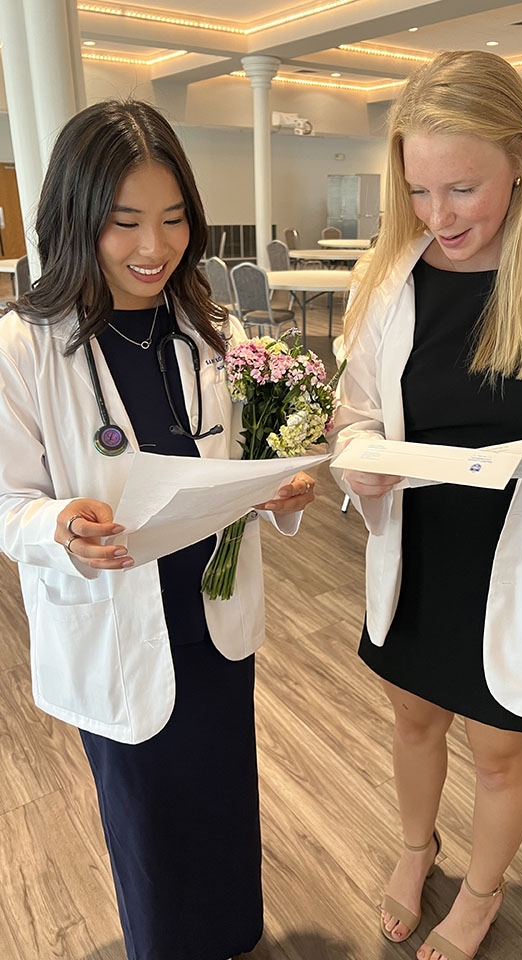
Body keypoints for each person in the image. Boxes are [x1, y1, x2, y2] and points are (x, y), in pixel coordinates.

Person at [332, 50, 522, 960]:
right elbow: (355, 411)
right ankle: (414, 848)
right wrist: (358, 462)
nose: (437, 216)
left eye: (460, 188)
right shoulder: (391, 274)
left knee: (503, 753)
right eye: (418, 191)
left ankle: (480, 891)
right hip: (420, 550)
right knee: (414, 717)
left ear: (521, 155)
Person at [0, 100, 316, 960]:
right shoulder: (25, 348)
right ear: (76, 220)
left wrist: (274, 493)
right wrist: (60, 524)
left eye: (174, 220)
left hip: (209, 615)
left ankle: (231, 936)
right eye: (126, 222)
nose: (155, 247)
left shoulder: (208, 332)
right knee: (148, 814)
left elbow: (238, 460)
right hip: (116, 619)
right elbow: (8, 501)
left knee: (221, 795)